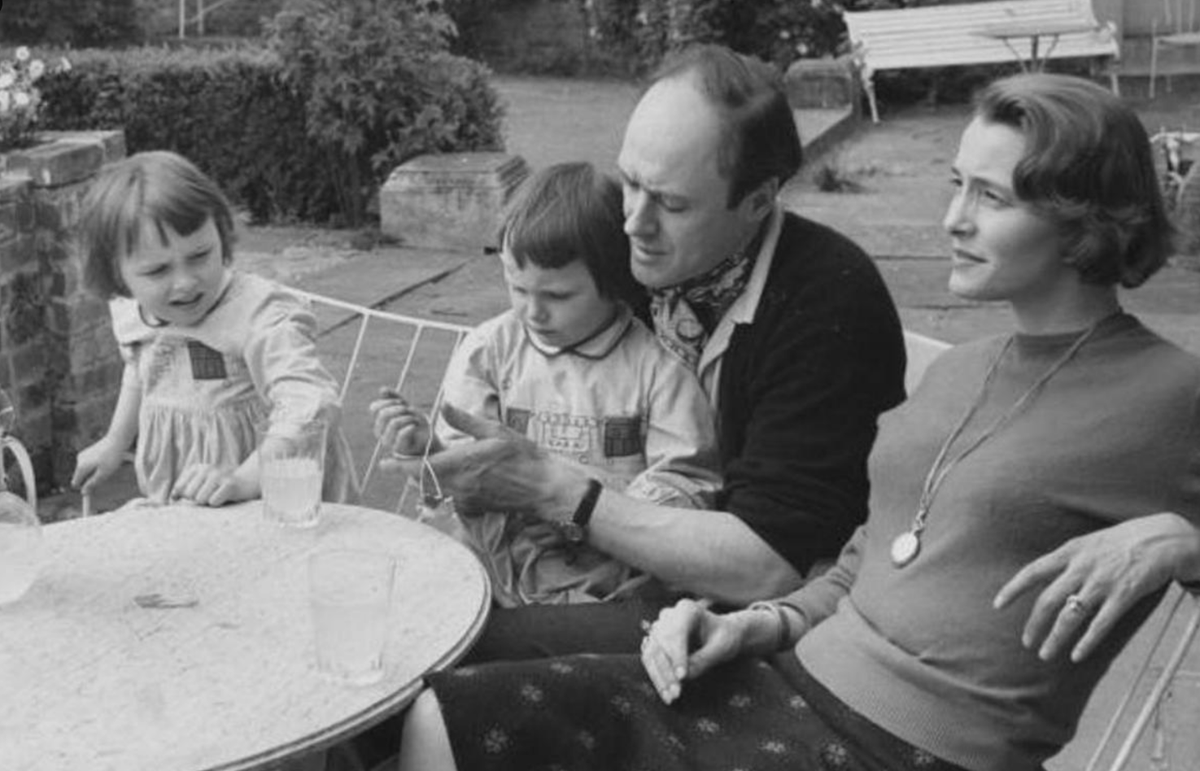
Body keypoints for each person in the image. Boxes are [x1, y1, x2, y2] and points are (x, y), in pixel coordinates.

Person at [397, 73, 1200, 771]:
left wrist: (1184, 540)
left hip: (909, 747)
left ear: (1084, 220)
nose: (952, 217)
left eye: (989, 197)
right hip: (789, 678)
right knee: (440, 715)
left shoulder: (1165, 390)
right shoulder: (965, 369)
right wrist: (754, 625)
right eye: (956, 183)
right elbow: (863, 564)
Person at [400, 42, 906, 659]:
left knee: (435, 651)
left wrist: (551, 489)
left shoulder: (828, 302)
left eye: (670, 203)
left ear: (757, 200)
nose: (632, 222)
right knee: (398, 610)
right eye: (629, 182)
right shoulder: (631, 255)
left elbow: (766, 566)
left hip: (739, 623)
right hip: (587, 570)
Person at [371, 161, 721, 607]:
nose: (532, 312)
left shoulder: (656, 369)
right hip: (495, 570)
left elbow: (686, 488)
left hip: (609, 579)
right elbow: (465, 475)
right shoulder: (490, 350)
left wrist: (577, 507)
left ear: (614, 282)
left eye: (556, 296)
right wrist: (428, 450)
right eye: (517, 289)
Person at [71, 150, 355, 508]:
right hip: (191, 491)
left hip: (277, 490)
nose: (186, 282)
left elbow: (310, 404)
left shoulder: (259, 314)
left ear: (221, 234)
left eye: (200, 255)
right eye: (158, 271)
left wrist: (243, 480)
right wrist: (115, 441)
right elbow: (140, 368)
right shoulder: (133, 308)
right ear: (118, 276)